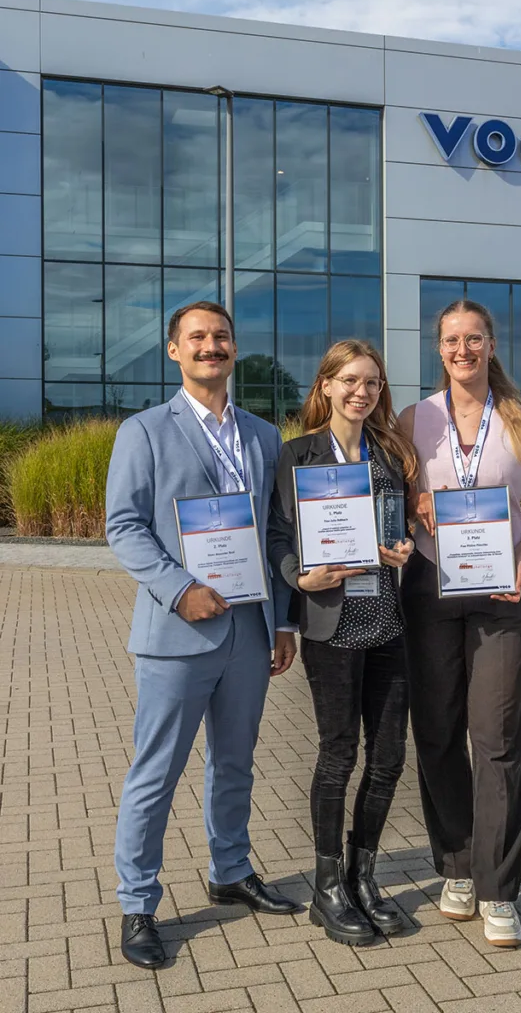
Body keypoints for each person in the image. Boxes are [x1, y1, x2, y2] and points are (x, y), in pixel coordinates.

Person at [106, 301, 300, 970]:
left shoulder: (262, 435)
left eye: (220, 337)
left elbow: (275, 534)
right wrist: (177, 587)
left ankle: (230, 870)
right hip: (175, 635)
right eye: (196, 337)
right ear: (173, 351)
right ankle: (137, 904)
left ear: (233, 348)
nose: (209, 346)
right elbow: (124, 526)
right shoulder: (143, 431)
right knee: (154, 773)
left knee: (235, 762)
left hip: (248, 631)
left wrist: (280, 619)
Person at [398, 299, 521, 948]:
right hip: (429, 591)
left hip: (501, 595)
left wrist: (520, 555)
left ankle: (498, 888)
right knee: (436, 734)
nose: (461, 349)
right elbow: (396, 508)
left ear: (490, 345)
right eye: (449, 339)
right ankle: (457, 866)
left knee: (495, 740)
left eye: (473, 338)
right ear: (437, 348)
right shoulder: (414, 419)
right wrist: (414, 508)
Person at [268, 340, 417, 946]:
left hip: (387, 623)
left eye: (374, 383)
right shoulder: (298, 453)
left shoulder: (389, 452)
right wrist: (297, 577)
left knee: (388, 759)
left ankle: (364, 874)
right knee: (339, 755)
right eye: (351, 380)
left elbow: (399, 524)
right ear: (325, 385)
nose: (363, 392)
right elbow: (278, 534)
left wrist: (403, 544)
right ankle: (327, 889)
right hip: (333, 625)